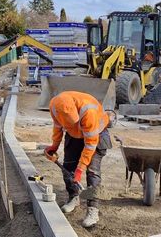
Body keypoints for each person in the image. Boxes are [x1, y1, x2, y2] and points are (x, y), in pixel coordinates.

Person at [43, 91, 111, 229]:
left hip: (95, 134)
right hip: (75, 134)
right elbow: (57, 127)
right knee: (68, 167)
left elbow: (90, 144)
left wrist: (80, 169)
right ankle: (74, 197)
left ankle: (93, 210)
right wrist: (54, 146)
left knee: (92, 171)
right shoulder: (55, 106)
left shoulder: (89, 111)